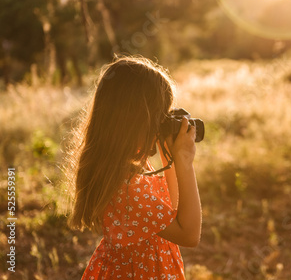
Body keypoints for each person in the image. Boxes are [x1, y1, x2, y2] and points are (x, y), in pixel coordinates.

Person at [66, 56, 201, 279]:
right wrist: (185, 161)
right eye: (160, 117)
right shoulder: (127, 185)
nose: (161, 126)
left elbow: (171, 211)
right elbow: (189, 234)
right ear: (139, 120)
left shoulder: (123, 167)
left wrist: (171, 156)